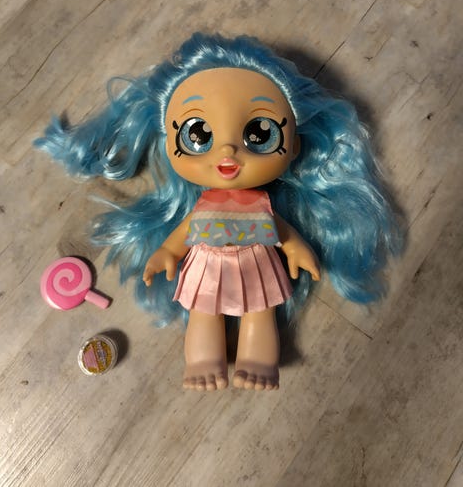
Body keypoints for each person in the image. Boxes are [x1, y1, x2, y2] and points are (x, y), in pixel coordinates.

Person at [36, 33, 401, 391]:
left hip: (256, 262)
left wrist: (297, 248)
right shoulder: (205, 205)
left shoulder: (261, 205)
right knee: (203, 312)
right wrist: (167, 252)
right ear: (169, 145)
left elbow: (281, 230)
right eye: (198, 135)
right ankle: (202, 362)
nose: (227, 151)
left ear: (294, 147)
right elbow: (188, 229)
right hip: (207, 264)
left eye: (260, 133)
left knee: (260, 312)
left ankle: (258, 362)